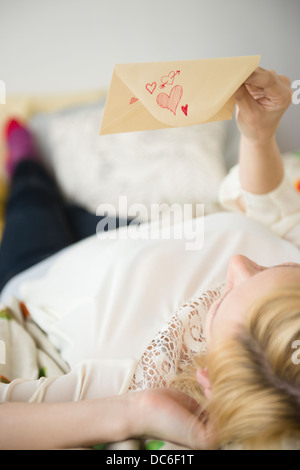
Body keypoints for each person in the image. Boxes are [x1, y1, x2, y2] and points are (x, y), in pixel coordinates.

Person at [0, 67, 299, 450]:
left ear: (205, 377)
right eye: (284, 268)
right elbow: (273, 213)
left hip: (38, 287)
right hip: (142, 238)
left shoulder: (138, 385)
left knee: (32, 198)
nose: (238, 263)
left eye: (221, 298)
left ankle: (26, 163)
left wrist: (136, 410)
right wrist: (259, 135)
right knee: (78, 209)